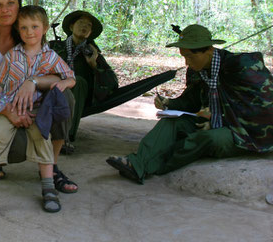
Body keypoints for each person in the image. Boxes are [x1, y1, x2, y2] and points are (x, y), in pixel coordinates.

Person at [106, 24, 273, 183]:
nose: (187, 63)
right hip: (215, 122)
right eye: (184, 57)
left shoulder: (241, 66)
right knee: (171, 123)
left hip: (244, 134)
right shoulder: (196, 72)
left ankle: (149, 166)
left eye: (190, 57)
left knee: (207, 138)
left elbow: (264, 108)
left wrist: (218, 120)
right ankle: (137, 163)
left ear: (209, 50)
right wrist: (169, 104)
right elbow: (190, 102)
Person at [0, 0, 78, 194]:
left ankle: (51, 167)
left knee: (65, 96)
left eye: (10, 3)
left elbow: (56, 77)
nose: (4, 9)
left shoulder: (29, 33)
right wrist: (6, 110)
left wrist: (32, 82)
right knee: (17, 149)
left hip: (31, 104)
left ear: (19, 6)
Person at [51, 10, 118, 142]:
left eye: (88, 25)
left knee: (79, 81)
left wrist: (93, 64)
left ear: (90, 33)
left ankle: (66, 137)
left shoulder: (92, 53)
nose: (84, 26)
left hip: (80, 96)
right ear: (71, 26)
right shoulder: (55, 47)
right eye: (81, 22)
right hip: (54, 88)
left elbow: (113, 82)